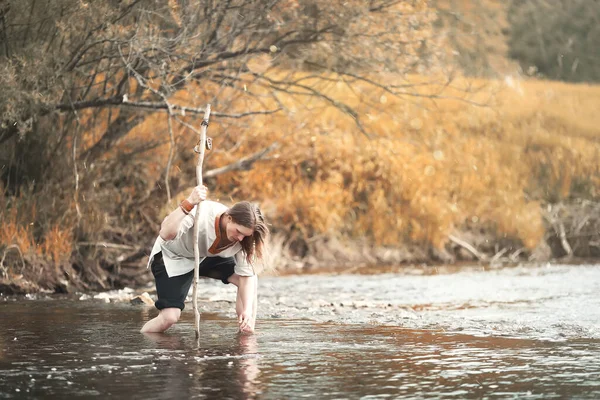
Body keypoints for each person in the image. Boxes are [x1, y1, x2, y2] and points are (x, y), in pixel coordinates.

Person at [140, 185, 269, 334]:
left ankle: (246, 329)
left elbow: (246, 276)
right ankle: (143, 340)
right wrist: (189, 203)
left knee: (250, 278)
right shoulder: (202, 211)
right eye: (238, 231)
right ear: (229, 218)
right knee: (169, 318)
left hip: (205, 257)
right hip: (173, 257)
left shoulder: (245, 238)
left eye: (245, 235)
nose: (240, 238)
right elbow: (165, 233)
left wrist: (247, 310)